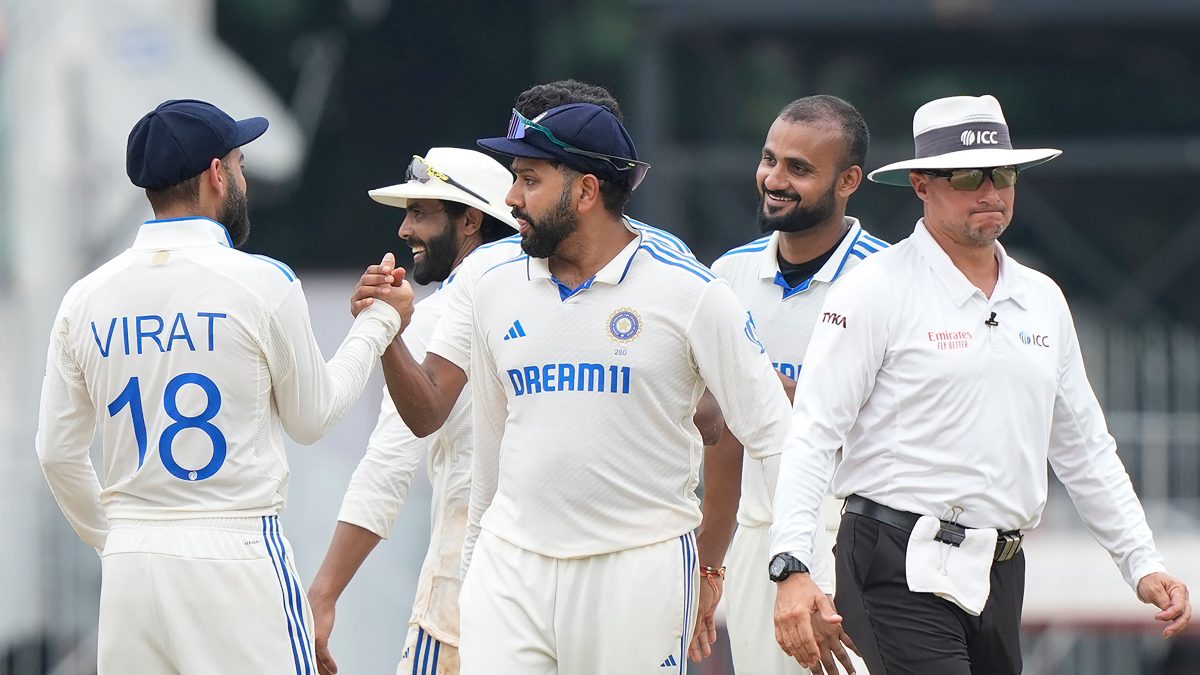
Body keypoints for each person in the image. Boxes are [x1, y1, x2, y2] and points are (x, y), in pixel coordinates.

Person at [770, 94, 1192, 674]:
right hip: (893, 564)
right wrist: (792, 566)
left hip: (1000, 568)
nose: (991, 192)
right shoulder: (874, 290)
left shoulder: (1042, 299)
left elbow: (1084, 448)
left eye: (1003, 173)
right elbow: (814, 433)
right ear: (921, 183)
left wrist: (1141, 563)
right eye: (969, 175)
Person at [34, 98, 413, 674]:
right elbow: (313, 418)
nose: (242, 177)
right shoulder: (261, 282)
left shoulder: (85, 298)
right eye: (238, 162)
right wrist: (381, 323)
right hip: (233, 551)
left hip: (132, 562)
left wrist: (118, 538)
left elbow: (56, 454)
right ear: (217, 175)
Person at [426, 101, 789, 674]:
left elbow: (775, 437)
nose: (511, 199)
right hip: (510, 571)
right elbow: (493, 452)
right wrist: (475, 570)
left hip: (636, 571)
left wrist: (791, 566)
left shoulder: (690, 292)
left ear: (587, 191)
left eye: (529, 180)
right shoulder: (494, 288)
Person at [307, 147, 519, 675]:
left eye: (421, 213)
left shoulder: (436, 318)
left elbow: (387, 469)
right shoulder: (546, 301)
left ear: (471, 221)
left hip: (460, 595)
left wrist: (323, 594)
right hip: (546, 592)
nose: (404, 230)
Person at [700, 95, 880, 675]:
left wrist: (788, 398)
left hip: (854, 535)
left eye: (799, 168)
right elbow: (725, 438)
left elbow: (916, 428)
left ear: (848, 180)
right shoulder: (726, 275)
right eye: (769, 159)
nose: (774, 180)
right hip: (758, 537)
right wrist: (709, 564)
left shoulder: (891, 278)